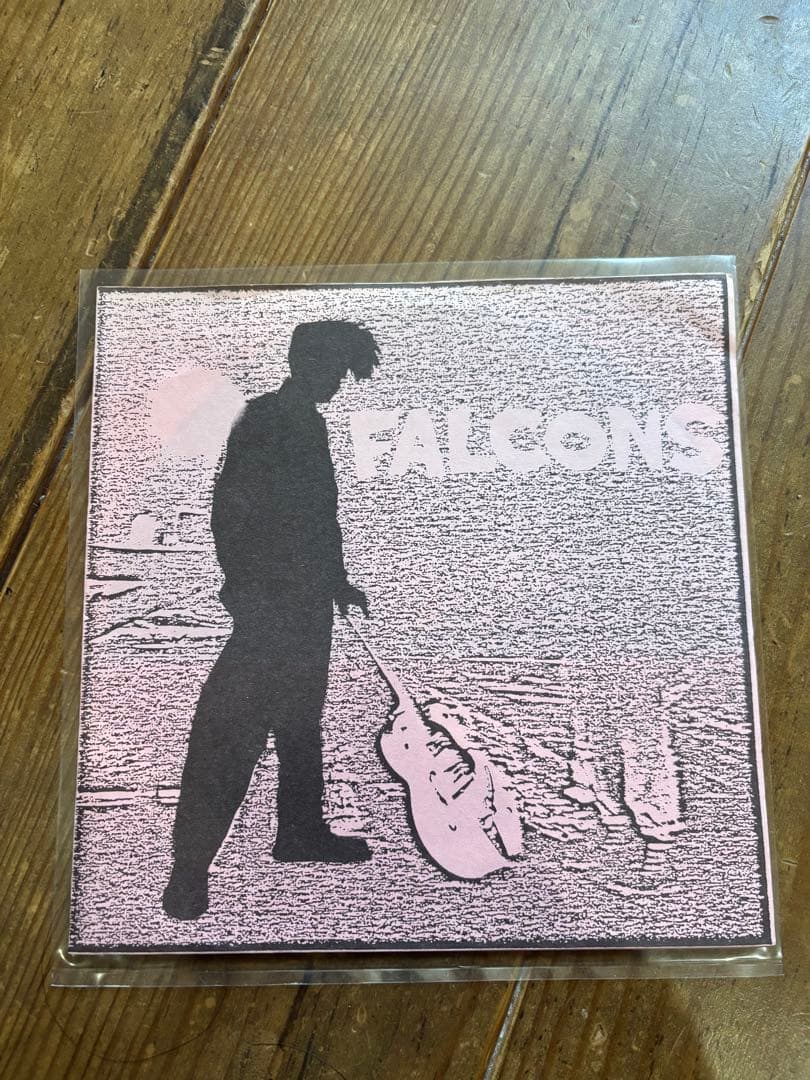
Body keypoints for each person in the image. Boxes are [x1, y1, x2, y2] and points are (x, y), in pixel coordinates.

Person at [162, 320, 380, 920]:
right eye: (333, 370)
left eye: (342, 373)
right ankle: (190, 869)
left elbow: (317, 519)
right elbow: (231, 510)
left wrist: (335, 583)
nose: (338, 382)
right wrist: (248, 589)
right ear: (303, 363)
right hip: (272, 604)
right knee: (232, 732)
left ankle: (299, 831)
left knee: (299, 721)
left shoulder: (305, 421)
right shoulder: (266, 419)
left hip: (304, 602)